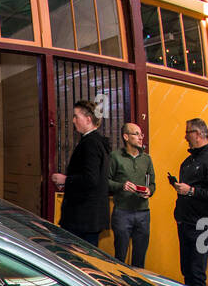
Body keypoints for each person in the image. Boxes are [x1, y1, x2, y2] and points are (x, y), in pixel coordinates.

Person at [172, 118, 208, 286]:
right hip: (185, 223)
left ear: (198, 134)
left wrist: (191, 191)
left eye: (188, 132)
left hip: (202, 226)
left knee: (197, 274)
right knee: (187, 271)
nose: (185, 136)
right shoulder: (187, 162)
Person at [52, 99, 112, 246]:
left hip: (82, 218)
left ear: (88, 119)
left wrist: (65, 180)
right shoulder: (97, 141)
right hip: (89, 217)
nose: (73, 120)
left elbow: (91, 179)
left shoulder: (90, 143)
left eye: (76, 116)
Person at [108, 121, 155, 268]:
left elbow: (152, 184)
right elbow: (106, 181)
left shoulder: (147, 159)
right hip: (122, 213)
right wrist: (122, 186)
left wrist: (149, 191)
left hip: (143, 213)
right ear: (126, 137)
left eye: (141, 134)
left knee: (139, 260)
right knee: (120, 258)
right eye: (136, 134)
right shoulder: (115, 157)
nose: (141, 137)